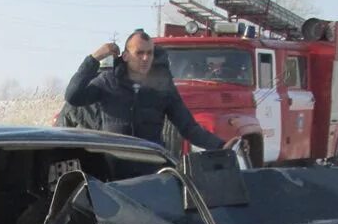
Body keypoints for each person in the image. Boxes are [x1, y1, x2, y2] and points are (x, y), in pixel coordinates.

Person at [63, 30, 227, 152]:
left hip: (150, 169)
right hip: (113, 169)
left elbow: (188, 127)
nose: (145, 58)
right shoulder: (108, 82)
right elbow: (73, 96)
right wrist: (94, 58)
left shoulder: (163, 87)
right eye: (139, 53)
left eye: (149, 53)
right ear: (126, 56)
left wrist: (221, 145)